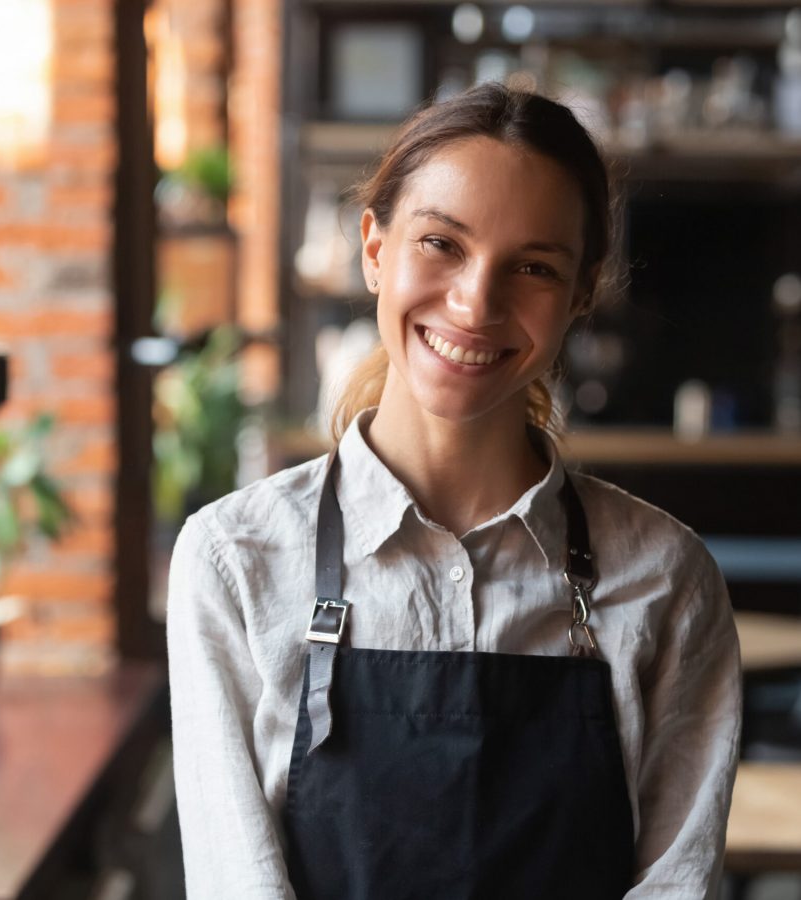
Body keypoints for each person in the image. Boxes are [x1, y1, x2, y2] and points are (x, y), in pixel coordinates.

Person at [167, 83, 742, 899]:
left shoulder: (667, 578)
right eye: (442, 243)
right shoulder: (234, 561)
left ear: (580, 295)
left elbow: (677, 885)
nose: (476, 302)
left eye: (535, 266)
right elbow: (238, 883)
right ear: (373, 249)